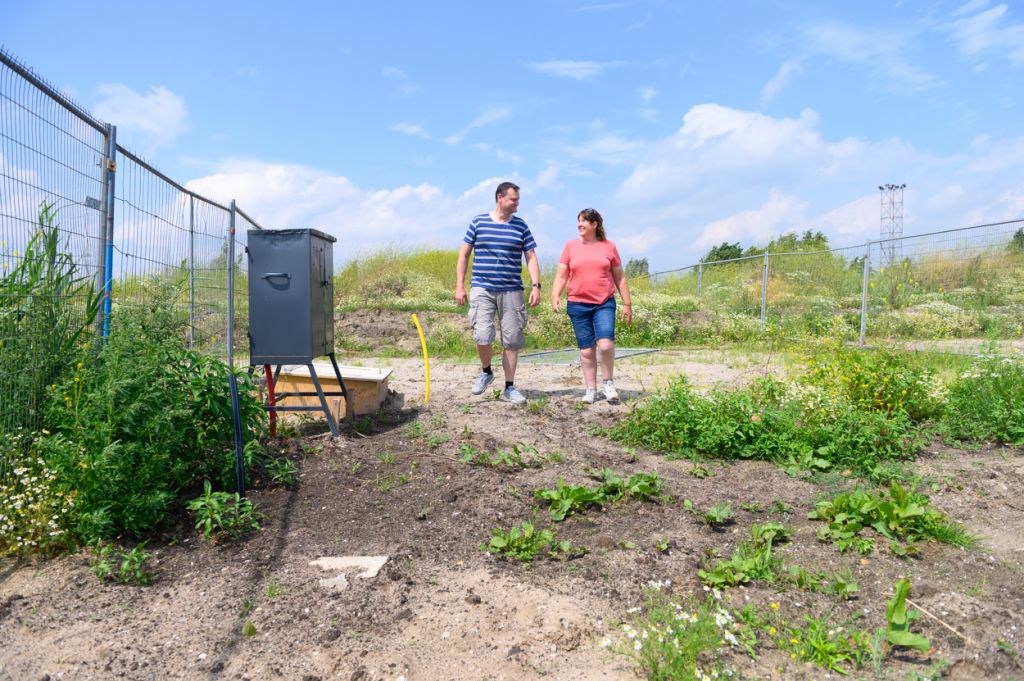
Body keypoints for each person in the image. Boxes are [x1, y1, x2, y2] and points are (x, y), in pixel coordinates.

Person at [455, 181, 541, 404]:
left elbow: (531, 257)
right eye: (513, 200)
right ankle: (486, 371)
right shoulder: (479, 222)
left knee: (512, 340)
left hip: (512, 290)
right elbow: (464, 255)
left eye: (518, 200)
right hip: (482, 287)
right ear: (500, 198)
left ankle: (509, 387)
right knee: (482, 334)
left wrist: (536, 285)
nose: (517, 204)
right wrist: (459, 286)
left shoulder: (521, 226)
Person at [550, 208, 633, 404]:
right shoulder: (570, 246)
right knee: (587, 350)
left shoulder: (609, 247)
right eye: (578, 221)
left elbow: (619, 277)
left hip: (604, 303)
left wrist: (627, 304)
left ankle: (608, 384)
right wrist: (555, 294)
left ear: (595, 224)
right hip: (578, 304)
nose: (579, 224)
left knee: (605, 345)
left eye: (584, 221)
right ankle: (591, 389)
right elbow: (562, 275)